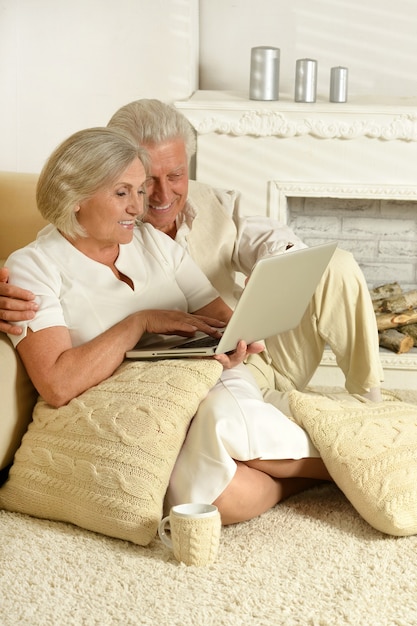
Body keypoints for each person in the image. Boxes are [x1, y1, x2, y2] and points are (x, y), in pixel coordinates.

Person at [4, 126, 332, 525]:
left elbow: (220, 320)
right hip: (141, 408)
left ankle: (349, 461)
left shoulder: (154, 244)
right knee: (213, 501)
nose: (137, 208)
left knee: (224, 419)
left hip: (204, 381)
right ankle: (339, 467)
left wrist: (236, 339)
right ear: (75, 197)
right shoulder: (33, 267)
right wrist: (140, 322)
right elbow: (57, 384)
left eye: (138, 192)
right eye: (122, 193)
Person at [0, 99, 383, 402]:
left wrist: (272, 278)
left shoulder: (213, 203)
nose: (161, 195)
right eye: (144, 181)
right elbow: (48, 268)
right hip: (192, 374)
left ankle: (368, 397)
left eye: (176, 175)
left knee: (336, 263)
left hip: (248, 352)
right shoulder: (72, 242)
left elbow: (269, 242)